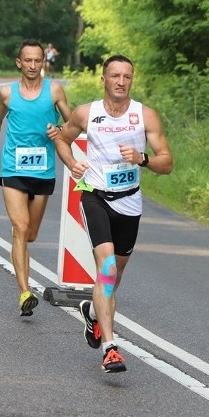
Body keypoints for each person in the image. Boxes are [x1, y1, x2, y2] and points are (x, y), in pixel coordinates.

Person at [54, 55, 173, 372]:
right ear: (103, 80)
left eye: (127, 77)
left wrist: (142, 158)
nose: (121, 81)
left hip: (130, 202)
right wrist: (72, 163)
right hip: (95, 197)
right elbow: (62, 141)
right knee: (106, 268)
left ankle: (92, 313)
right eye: (115, 76)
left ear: (132, 81)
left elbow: (167, 163)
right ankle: (110, 348)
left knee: (113, 278)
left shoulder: (145, 116)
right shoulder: (86, 113)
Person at [0, 39, 72, 316]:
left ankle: (19, 236)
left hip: (43, 170)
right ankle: (24, 292)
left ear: (43, 62)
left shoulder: (54, 90)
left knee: (30, 234)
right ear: (19, 63)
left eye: (38, 60)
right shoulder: (7, 93)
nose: (33, 65)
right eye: (28, 60)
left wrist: (59, 130)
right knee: (21, 227)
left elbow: (73, 124)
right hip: (14, 169)